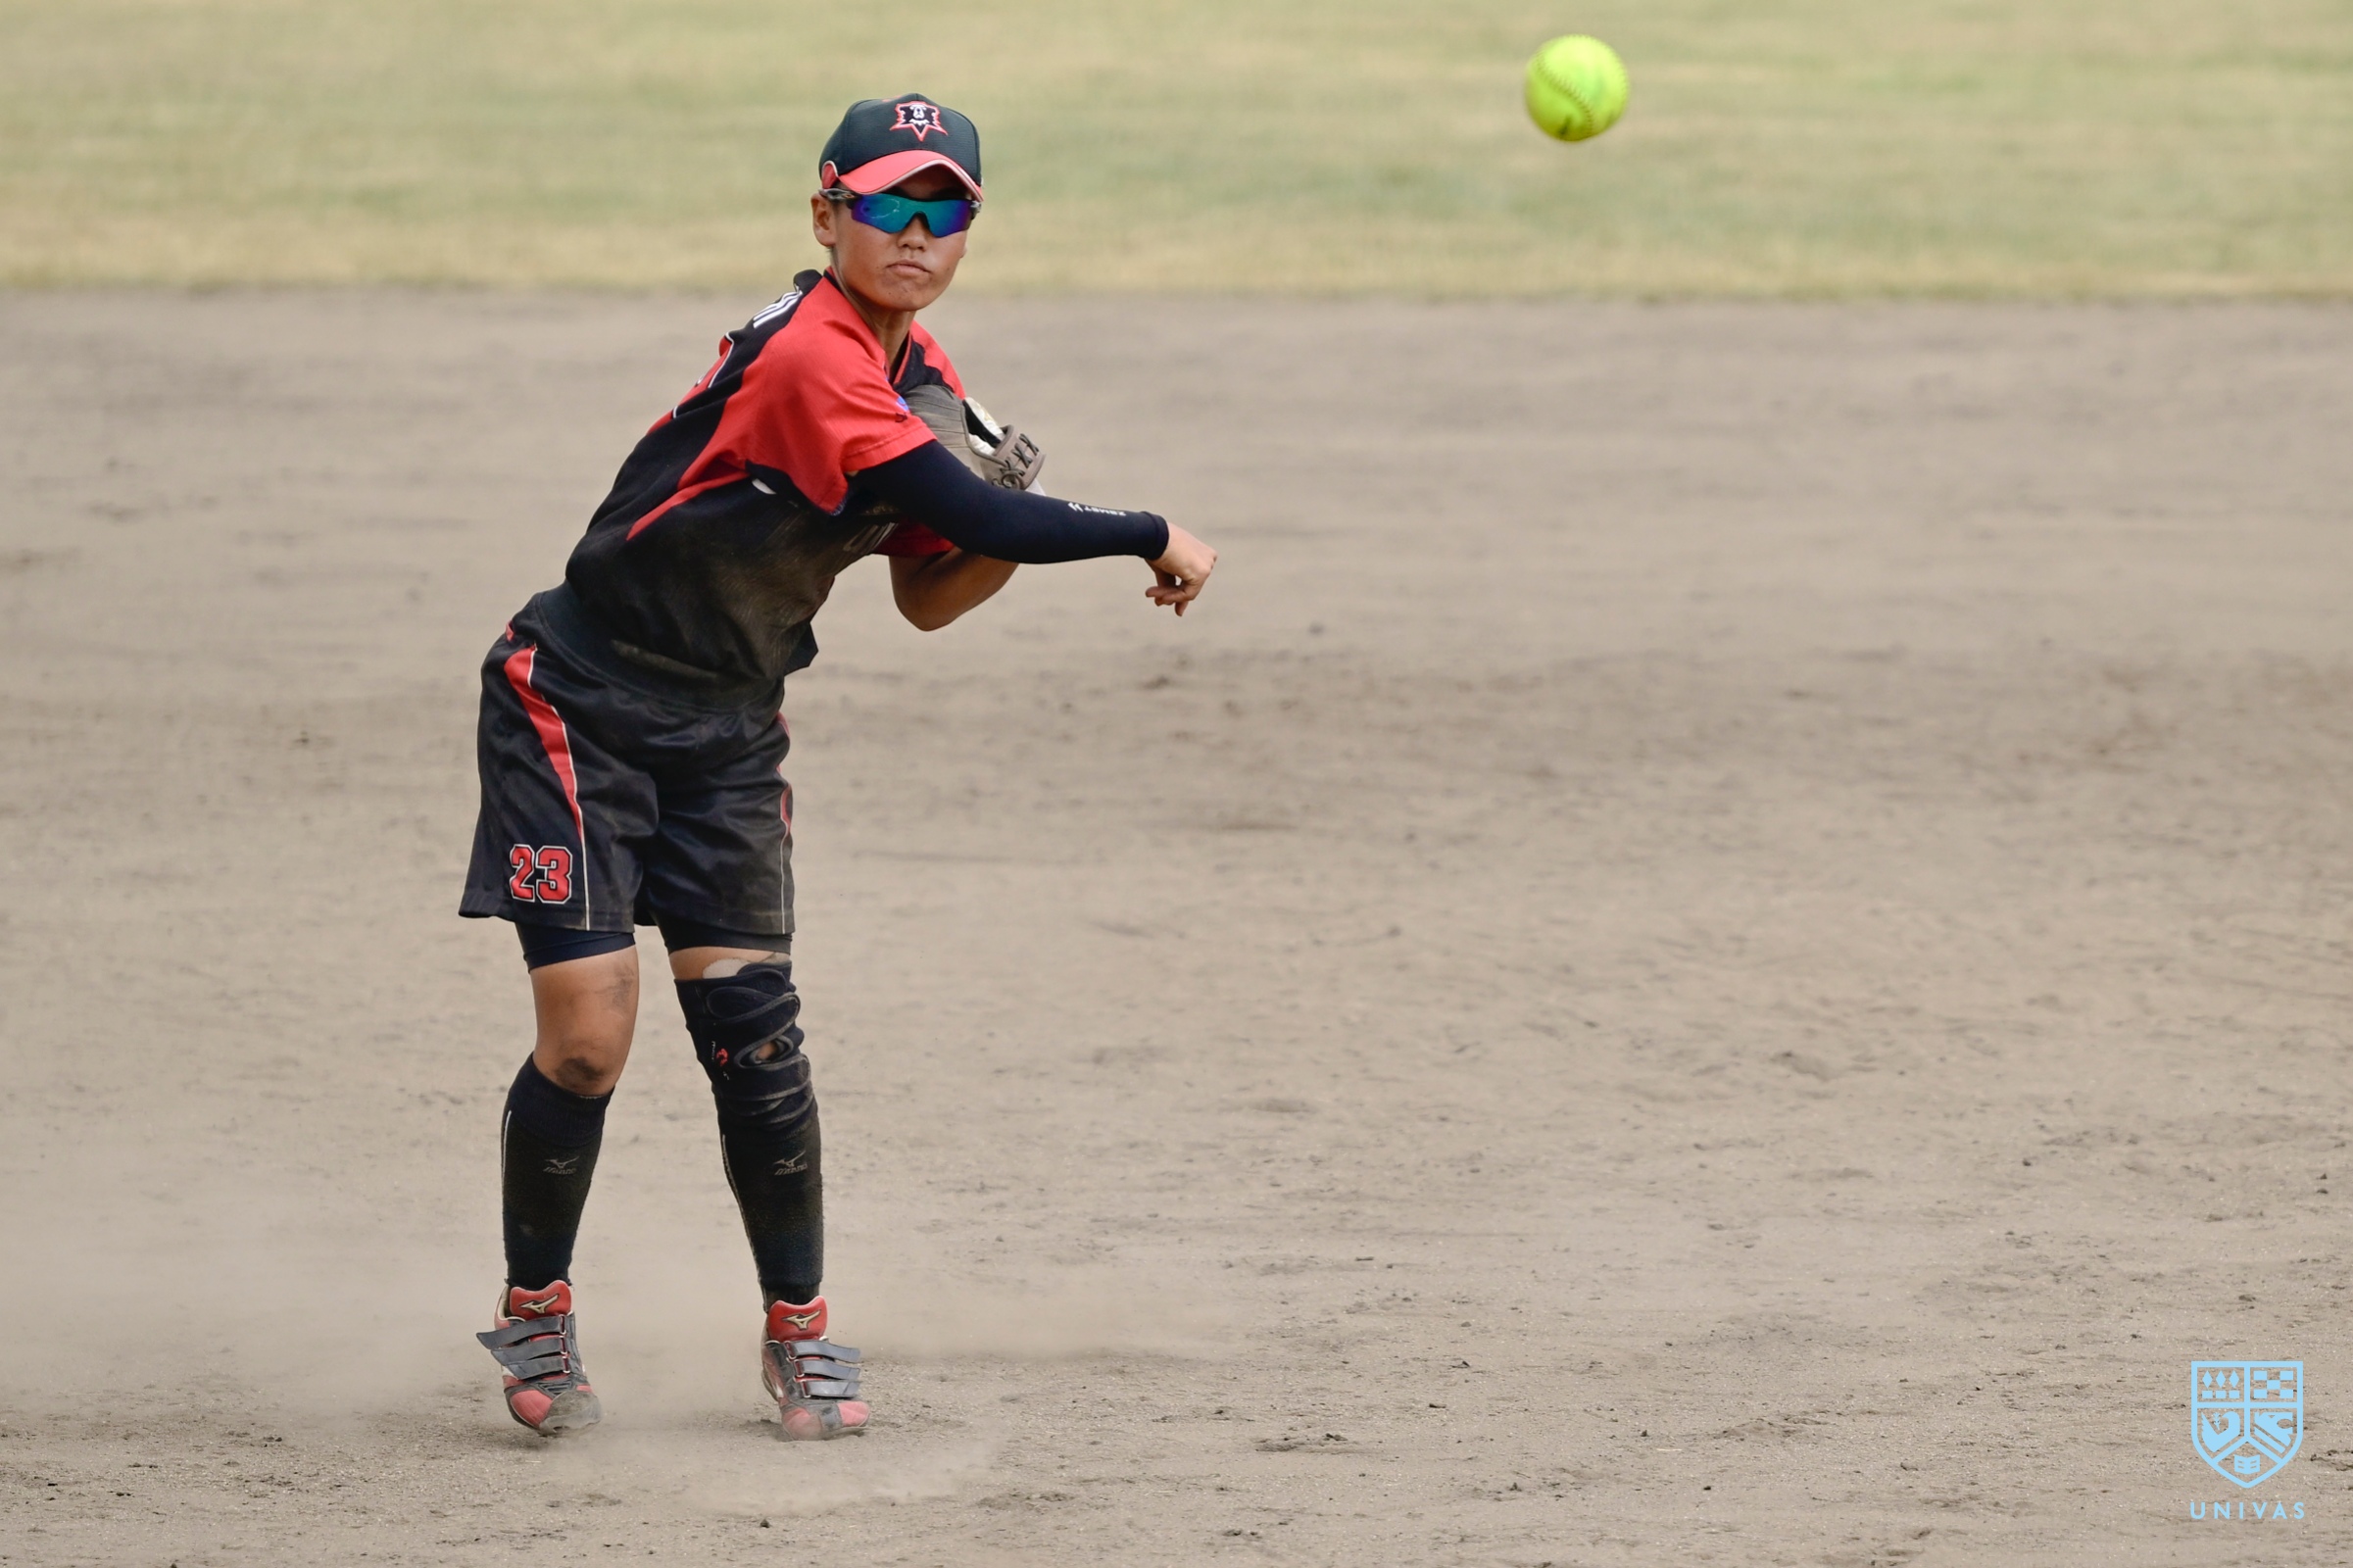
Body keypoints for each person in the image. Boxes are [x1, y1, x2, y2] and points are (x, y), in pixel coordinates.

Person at [458, 93, 1216, 1441]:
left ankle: (798, 1336)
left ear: (969, 231)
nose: (915, 233)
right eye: (886, 206)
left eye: (944, 210)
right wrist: (1139, 527)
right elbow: (970, 509)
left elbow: (931, 593)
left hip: (729, 729)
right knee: (586, 1040)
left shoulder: (921, 379)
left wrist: (988, 518)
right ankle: (536, 1309)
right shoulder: (814, 358)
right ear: (826, 216)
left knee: (753, 1037)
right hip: (577, 700)